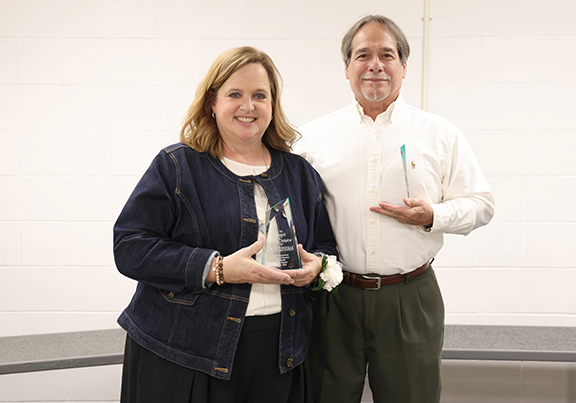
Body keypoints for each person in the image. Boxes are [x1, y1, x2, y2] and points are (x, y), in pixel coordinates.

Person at [114, 46, 338, 403]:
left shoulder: (300, 175)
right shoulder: (177, 166)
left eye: (259, 96)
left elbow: (326, 247)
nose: (248, 106)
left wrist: (317, 266)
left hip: (279, 355)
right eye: (235, 94)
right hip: (185, 354)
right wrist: (216, 268)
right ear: (212, 103)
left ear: (272, 105)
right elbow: (130, 248)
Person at [295, 15, 495, 403]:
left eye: (387, 55)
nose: (375, 65)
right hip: (332, 298)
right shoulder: (311, 139)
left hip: (410, 298)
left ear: (404, 67)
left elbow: (482, 205)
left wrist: (432, 216)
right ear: (347, 68)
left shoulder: (439, 134)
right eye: (363, 55)